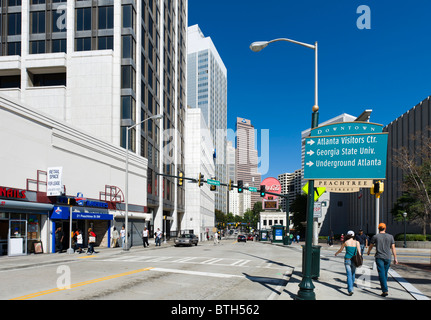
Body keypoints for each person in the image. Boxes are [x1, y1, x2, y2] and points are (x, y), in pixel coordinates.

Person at [367, 223, 398, 297]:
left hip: (379, 257)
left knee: (381, 273)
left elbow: (370, 246)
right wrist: (395, 258)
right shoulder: (390, 236)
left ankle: (385, 290)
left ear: (378, 228)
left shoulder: (375, 236)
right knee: (385, 272)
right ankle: (384, 285)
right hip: (388, 257)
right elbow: (393, 248)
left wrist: (368, 252)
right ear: (385, 228)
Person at [335, 230, 361, 296]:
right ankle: (351, 286)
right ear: (353, 235)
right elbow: (359, 253)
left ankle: (350, 290)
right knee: (353, 273)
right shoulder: (357, 242)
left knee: (348, 274)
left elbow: (340, 250)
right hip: (354, 260)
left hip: (347, 259)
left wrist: (336, 253)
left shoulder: (346, 242)